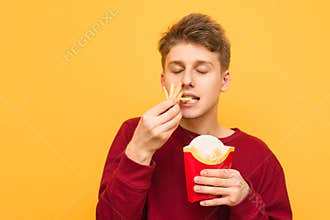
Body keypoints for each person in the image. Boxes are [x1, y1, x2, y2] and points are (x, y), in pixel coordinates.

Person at [96, 13, 292, 219]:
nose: (187, 80)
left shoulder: (259, 155)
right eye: (177, 70)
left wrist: (245, 200)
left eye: (202, 70)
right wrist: (139, 151)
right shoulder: (135, 133)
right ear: (164, 80)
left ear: (224, 81)